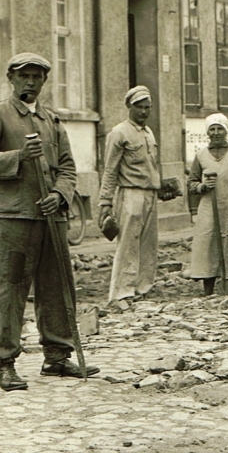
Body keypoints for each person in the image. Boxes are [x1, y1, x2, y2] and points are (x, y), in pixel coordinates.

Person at [0, 53, 95, 390]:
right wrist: (19, 158)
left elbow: (68, 167)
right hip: (14, 216)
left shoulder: (52, 120)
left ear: (44, 81)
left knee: (57, 286)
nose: (30, 82)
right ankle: (5, 362)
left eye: (37, 77)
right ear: (10, 78)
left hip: (51, 216)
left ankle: (57, 357)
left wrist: (60, 194)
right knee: (9, 288)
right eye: (24, 76)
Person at [98, 86, 161, 303]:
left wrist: (160, 187)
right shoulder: (119, 133)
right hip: (130, 194)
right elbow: (109, 169)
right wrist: (105, 202)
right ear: (129, 107)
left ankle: (143, 288)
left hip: (150, 194)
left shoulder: (148, 133)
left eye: (147, 108)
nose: (144, 112)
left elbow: (152, 167)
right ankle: (122, 292)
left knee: (148, 244)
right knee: (128, 244)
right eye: (139, 107)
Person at [187, 114, 228, 297]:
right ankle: (209, 294)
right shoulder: (201, 155)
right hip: (208, 210)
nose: (216, 133)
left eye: (220, 129)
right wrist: (202, 186)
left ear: (226, 131)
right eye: (212, 129)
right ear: (207, 132)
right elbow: (191, 183)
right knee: (207, 249)